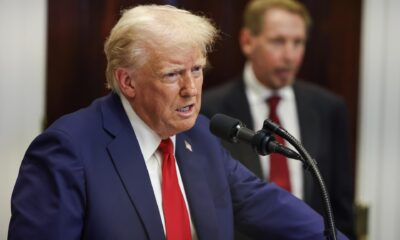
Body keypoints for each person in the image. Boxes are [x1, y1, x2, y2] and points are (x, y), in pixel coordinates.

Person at [8, 4, 348, 240]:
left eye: (196, 70)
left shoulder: (199, 134)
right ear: (127, 82)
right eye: (172, 74)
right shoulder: (67, 150)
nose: (190, 90)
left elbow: (268, 205)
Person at [201, 0, 355, 239]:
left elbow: (340, 207)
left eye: (298, 42)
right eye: (278, 41)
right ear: (247, 41)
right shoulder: (210, 110)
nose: (290, 55)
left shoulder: (328, 108)